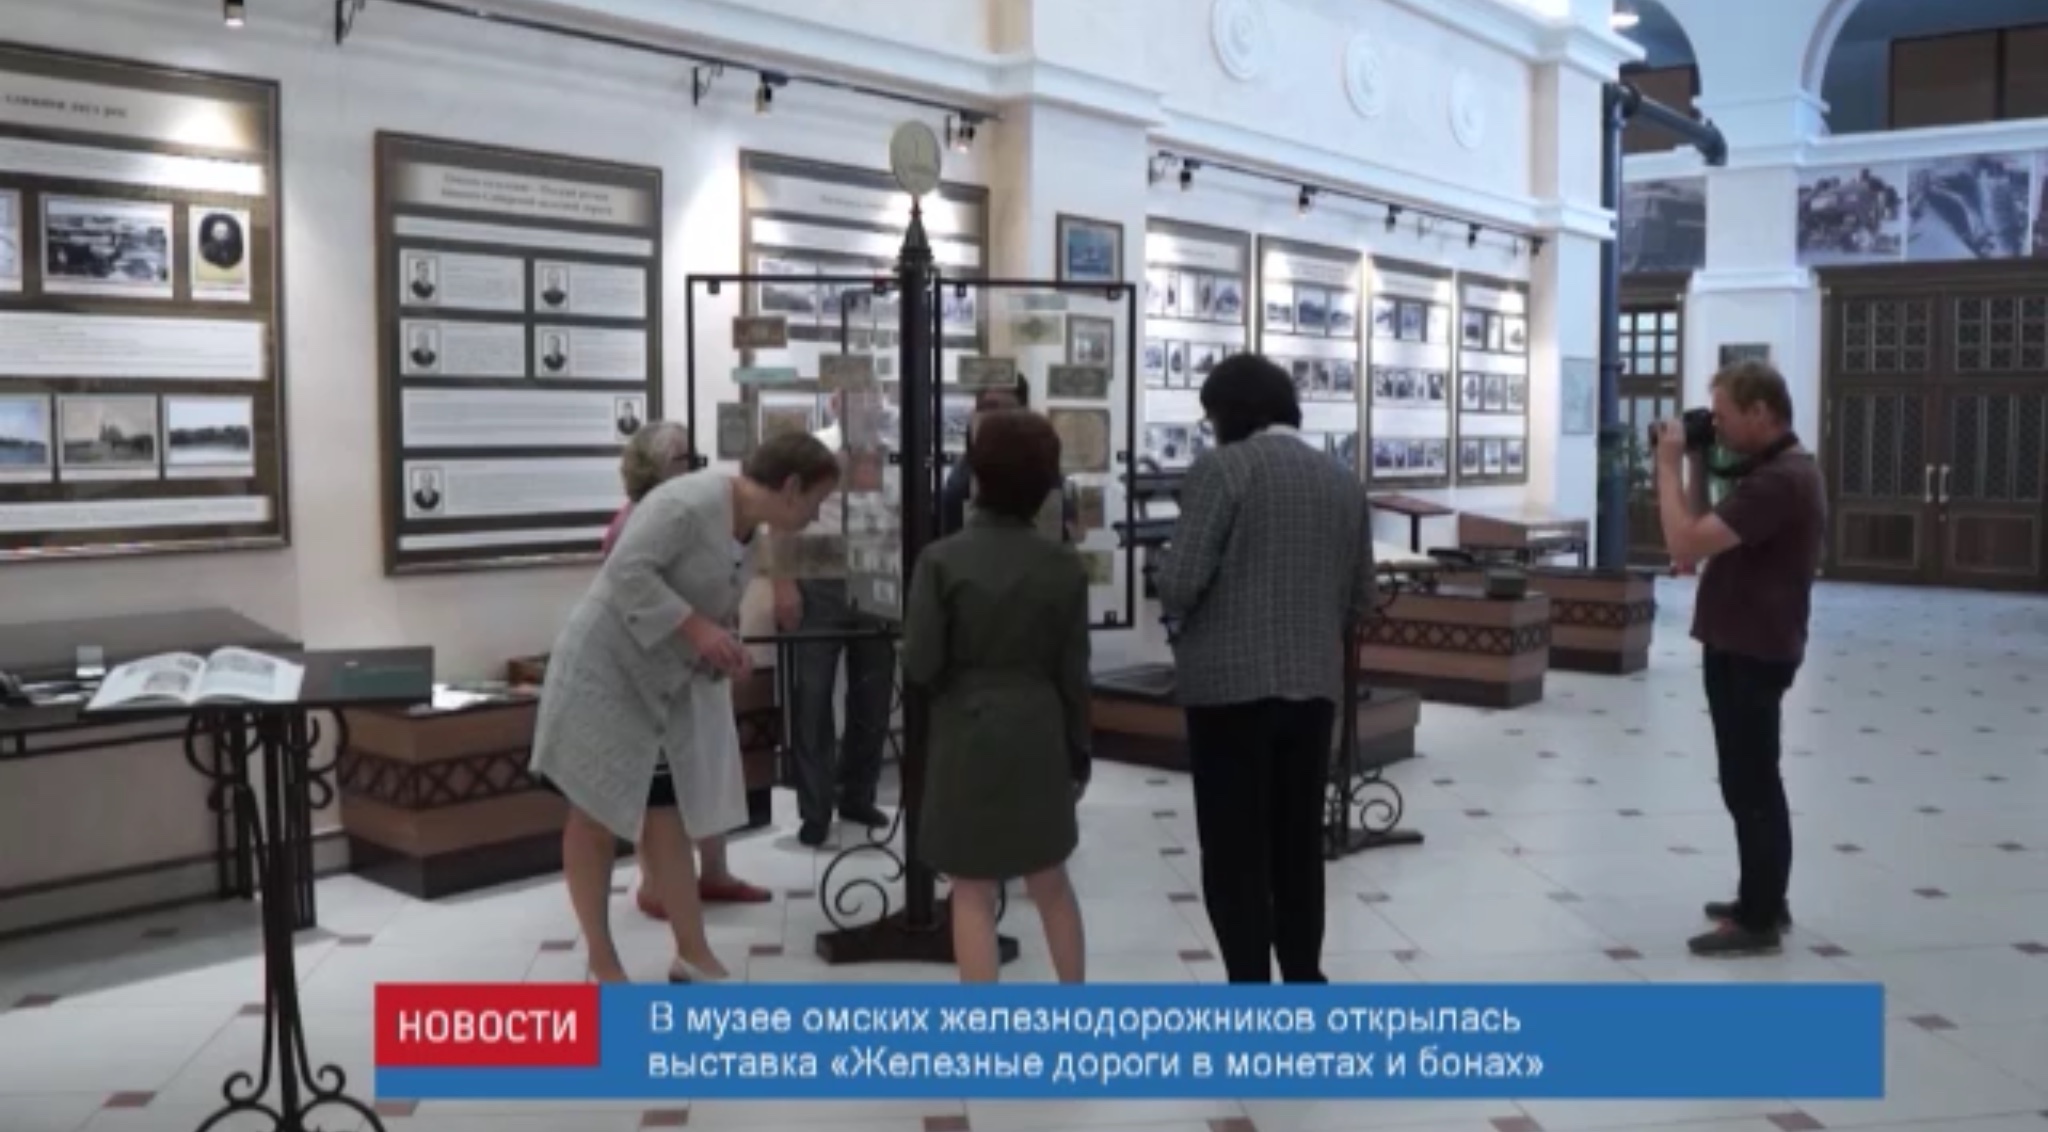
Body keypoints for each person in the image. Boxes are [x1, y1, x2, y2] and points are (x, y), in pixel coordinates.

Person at [530, 431, 840, 982]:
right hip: (602, 675)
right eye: (816, 501)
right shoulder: (687, 502)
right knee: (593, 815)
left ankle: (693, 953)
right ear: (791, 487)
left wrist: (719, 649)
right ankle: (602, 961)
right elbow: (626, 571)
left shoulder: (749, 534)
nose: (815, 515)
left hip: (657, 686)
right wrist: (699, 630)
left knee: (665, 815)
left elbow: (704, 603)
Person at [1153, 353, 1373, 984]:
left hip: (1228, 693)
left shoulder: (1223, 469)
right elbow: (1361, 598)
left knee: (1234, 851)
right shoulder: (1341, 480)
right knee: (1298, 844)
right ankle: (1303, 977)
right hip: (1313, 689)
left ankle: (1248, 986)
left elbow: (1180, 581)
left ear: (1230, 413)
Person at [904, 409, 1091, 984]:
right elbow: (1074, 672)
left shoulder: (941, 561)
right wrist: (1079, 753)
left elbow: (920, 663)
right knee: (1051, 881)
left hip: (965, 731)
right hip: (1039, 727)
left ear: (977, 475)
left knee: (971, 891)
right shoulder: (1063, 565)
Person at [1653, 360, 1826, 958]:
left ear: (1761, 412)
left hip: (1754, 647)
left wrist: (1666, 465)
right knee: (1748, 779)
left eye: (1724, 416)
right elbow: (1706, 526)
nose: (1717, 426)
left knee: (1752, 783)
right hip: (1742, 640)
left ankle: (1759, 919)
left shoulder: (1781, 481)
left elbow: (1683, 542)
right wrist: (1698, 461)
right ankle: (1764, 896)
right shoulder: (1773, 471)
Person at [599, 422, 773, 919]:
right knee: (661, 782)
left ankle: (714, 871)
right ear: (654, 469)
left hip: (701, 664)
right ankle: (655, 883)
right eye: (686, 461)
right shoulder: (637, 522)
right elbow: (633, 595)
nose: (698, 470)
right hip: (655, 665)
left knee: (712, 765)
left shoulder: (690, 515)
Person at [775, 393, 894, 847]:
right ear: (834, 404)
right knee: (813, 697)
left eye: (871, 394)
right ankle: (815, 810)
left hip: (876, 575)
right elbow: (782, 518)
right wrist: (783, 584)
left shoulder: (892, 449)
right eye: (852, 396)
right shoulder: (812, 450)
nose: (864, 404)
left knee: (874, 696)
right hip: (818, 578)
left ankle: (857, 795)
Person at [940, 378, 1078, 541]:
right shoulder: (964, 471)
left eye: (1001, 410)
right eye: (984, 408)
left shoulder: (1042, 468)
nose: (991, 418)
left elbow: (1062, 528)